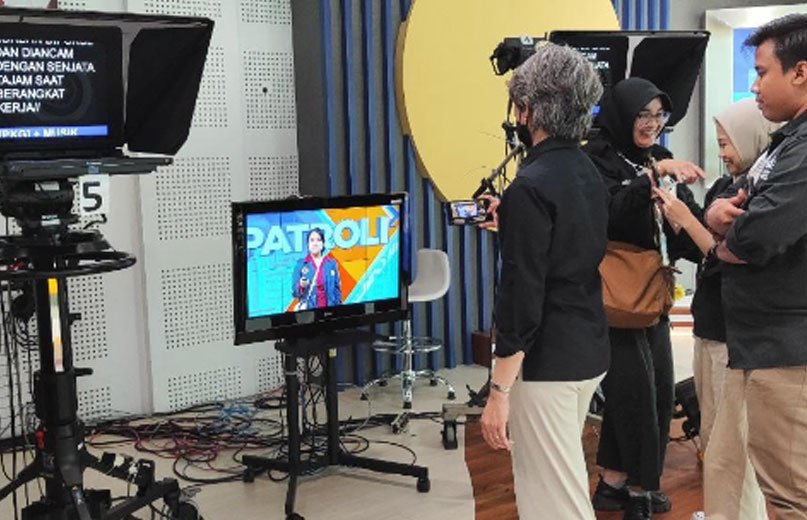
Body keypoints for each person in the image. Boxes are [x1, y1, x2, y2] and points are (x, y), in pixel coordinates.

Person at [478, 43, 608, 520]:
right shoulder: (586, 170)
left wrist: (499, 391)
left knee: (554, 502)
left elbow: (522, 296)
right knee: (558, 485)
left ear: (527, 109)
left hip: (547, 361)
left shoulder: (530, 185)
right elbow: (568, 247)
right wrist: (513, 223)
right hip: (587, 347)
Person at [583, 77, 705, 520]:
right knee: (636, 395)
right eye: (643, 115)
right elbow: (608, 213)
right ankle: (640, 491)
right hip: (614, 296)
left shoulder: (655, 160)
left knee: (656, 391)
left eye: (659, 115)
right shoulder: (594, 160)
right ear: (621, 116)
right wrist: (652, 178)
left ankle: (613, 483)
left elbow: (685, 224)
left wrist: (710, 229)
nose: (652, 124)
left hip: (651, 294)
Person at [702, 14, 807, 520]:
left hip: (788, 350)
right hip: (763, 344)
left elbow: (759, 234)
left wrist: (724, 235)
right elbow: (731, 207)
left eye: (763, 72)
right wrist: (720, 221)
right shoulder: (786, 143)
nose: (755, 86)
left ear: (800, 72)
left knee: (790, 496)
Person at [653, 98, 777, 520]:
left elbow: (726, 256)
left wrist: (689, 220)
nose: (722, 151)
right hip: (709, 325)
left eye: (727, 143)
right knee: (713, 437)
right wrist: (678, 216)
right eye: (719, 142)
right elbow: (700, 247)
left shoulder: (762, 192)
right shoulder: (728, 184)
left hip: (734, 333)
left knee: (733, 446)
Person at [291, 228, 342, 309]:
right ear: (308, 244)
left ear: (323, 243)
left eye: (318, 240)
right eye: (312, 240)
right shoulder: (300, 265)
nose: (315, 243)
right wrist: (301, 286)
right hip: (310, 312)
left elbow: (337, 290)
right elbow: (294, 293)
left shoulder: (331, 263)